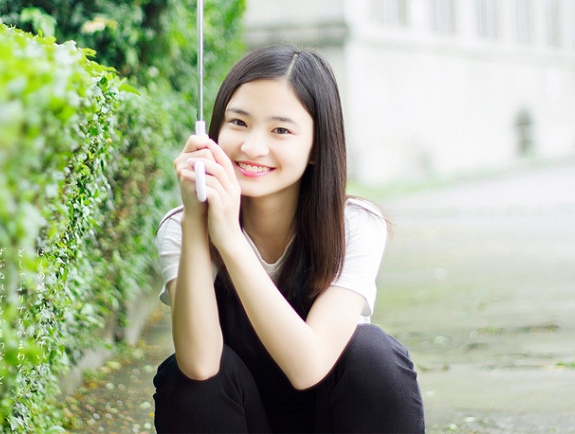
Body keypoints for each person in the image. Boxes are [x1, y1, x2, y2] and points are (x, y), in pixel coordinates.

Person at [153, 45, 425, 433]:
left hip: (328, 419)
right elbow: (200, 366)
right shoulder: (182, 227)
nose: (251, 147)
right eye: (238, 122)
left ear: (316, 147)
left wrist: (230, 238)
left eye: (280, 130)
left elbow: (308, 367)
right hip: (240, 420)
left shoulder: (355, 225)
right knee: (183, 378)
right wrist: (199, 225)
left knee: (372, 354)